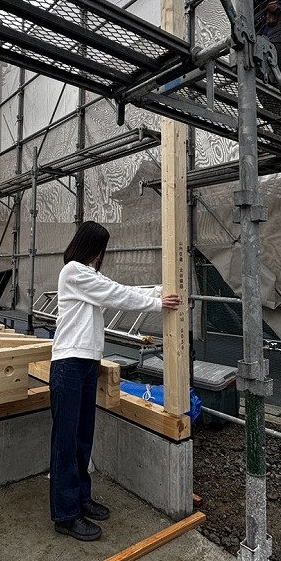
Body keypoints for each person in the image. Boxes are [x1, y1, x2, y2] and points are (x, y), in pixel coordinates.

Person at [50, 220, 181, 542]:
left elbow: (123, 289)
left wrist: (160, 291)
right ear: (89, 247)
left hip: (85, 363)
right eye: (99, 247)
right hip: (68, 363)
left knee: (82, 436)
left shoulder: (89, 275)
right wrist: (156, 303)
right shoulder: (74, 271)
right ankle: (66, 515)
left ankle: (81, 498)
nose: (100, 254)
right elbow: (115, 294)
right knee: (66, 442)